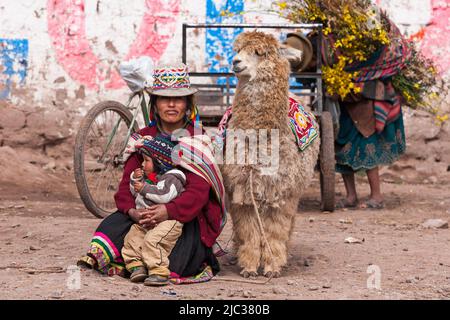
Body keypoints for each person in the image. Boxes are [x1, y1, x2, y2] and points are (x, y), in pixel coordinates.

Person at [77, 63, 227, 284]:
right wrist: (133, 212)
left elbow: (199, 192)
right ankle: (135, 262)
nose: (172, 104)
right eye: (164, 99)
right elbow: (125, 187)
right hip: (144, 214)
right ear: (155, 105)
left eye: (179, 98)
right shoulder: (143, 138)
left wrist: (168, 210)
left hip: (182, 217)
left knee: (178, 260)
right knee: (112, 225)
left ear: (187, 105)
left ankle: (145, 263)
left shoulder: (196, 139)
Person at [123, 136, 186, 286]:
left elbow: (164, 195)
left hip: (167, 222)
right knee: (132, 237)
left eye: (146, 160)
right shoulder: (151, 178)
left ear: (160, 162)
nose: (143, 164)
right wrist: (135, 180)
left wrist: (144, 188)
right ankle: (136, 266)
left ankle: (158, 271)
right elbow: (135, 193)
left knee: (154, 241)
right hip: (147, 222)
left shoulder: (173, 178)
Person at [335, 79, 406, 209]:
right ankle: (351, 196)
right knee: (342, 147)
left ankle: (376, 196)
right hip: (345, 99)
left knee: (367, 145)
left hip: (366, 100)